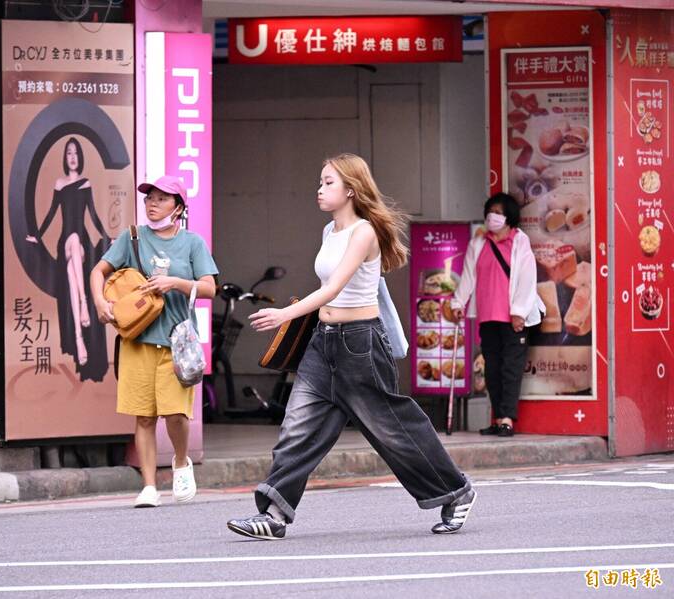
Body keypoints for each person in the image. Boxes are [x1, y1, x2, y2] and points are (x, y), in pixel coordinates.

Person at [226, 153, 475, 540]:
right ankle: (274, 515)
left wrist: (283, 316)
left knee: (390, 429)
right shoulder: (330, 232)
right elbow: (326, 293)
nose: (320, 189)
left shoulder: (364, 233)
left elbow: (334, 288)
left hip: (360, 344)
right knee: (297, 428)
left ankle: (456, 492)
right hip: (322, 344)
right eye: (320, 181)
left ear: (350, 190)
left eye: (328, 182)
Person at [90, 175, 218, 508]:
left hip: (176, 342)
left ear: (178, 207)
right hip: (137, 340)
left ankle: (179, 461)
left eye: (162, 199)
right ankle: (148, 486)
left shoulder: (192, 243)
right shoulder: (131, 237)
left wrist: (174, 282)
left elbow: (209, 288)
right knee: (143, 416)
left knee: (176, 414)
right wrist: (101, 303)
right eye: (150, 198)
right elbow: (97, 272)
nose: (153, 204)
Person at [450, 192, 542, 437]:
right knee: (492, 369)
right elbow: (468, 275)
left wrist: (519, 312)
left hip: (513, 318)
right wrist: (458, 302)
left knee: (510, 369)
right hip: (487, 316)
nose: (494, 217)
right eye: (491, 212)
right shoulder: (478, 242)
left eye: (500, 213)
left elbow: (527, 278)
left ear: (510, 217)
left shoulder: (519, 241)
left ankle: (508, 419)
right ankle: (497, 417)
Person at [27, 137, 110, 381]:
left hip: (80, 242)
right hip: (65, 242)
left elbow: (93, 214)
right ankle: (84, 303)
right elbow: (52, 213)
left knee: (74, 264)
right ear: (65, 158)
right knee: (71, 242)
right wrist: (37, 236)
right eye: (68, 153)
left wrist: (108, 237)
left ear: (79, 156)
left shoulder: (86, 183)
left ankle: (78, 338)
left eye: (75, 153)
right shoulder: (59, 183)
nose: (72, 157)